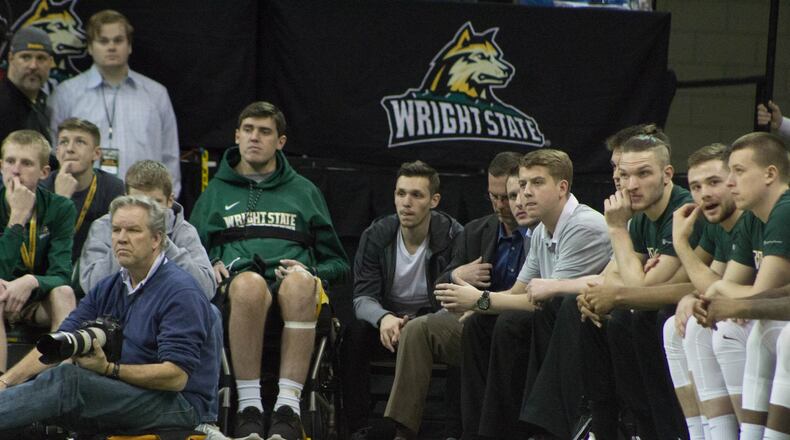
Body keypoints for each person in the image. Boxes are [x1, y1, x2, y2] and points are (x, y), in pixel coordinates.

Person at [190, 101, 349, 439]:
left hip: (295, 291)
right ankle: (250, 408)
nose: (254, 138)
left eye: (264, 132)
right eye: (248, 130)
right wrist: (209, 266)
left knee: (301, 282)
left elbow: (338, 264)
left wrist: (311, 269)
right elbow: (188, 257)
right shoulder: (214, 193)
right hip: (239, 291)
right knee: (248, 284)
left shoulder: (305, 192)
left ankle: (288, 410)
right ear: (236, 136)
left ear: (281, 141)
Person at [0, 195, 219, 434]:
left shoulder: (180, 291)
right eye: (116, 230)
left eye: (133, 230)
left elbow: (175, 377)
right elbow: (61, 338)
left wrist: (109, 369)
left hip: (179, 404)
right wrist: (6, 382)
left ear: (157, 239)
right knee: (45, 397)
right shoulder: (111, 286)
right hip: (124, 389)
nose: (122, 238)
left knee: (69, 381)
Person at [435, 148, 612, 439]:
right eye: (524, 184)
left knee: (510, 323)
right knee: (479, 324)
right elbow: (518, 292)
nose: (526, 193)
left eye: (537, 183)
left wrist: (479, 299)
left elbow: (545, 302)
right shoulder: (542, 229)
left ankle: (526, 429)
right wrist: (478, 307)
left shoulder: (584, 226)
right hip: (552, 321)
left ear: (562, 188)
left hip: (584, 324)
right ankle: (481, 431)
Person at [585, 143, 747, 439]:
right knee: (595, 315)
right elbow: (709, 282)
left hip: (763, 319)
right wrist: (601, 294)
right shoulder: (705, 218)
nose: (704, 194)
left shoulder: (690, 212)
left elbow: (647, 288)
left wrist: (619, 231)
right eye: (697, 186)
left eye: (713, 182)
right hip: (739, 312)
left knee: (663, 320)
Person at [380, 153, 530, 440]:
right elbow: (440, 292)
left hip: (515, 324)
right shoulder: (476, 231)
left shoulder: (537, 231)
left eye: (507, 197)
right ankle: (402, 431)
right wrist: (458, 275)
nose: (501, 205)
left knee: (489, 326)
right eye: (493, 197)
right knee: (418, 329)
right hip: (472, 322)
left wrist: (479, 300)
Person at [516, 124, 652, 439]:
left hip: (651, 311)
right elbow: (610, 274)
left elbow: (636, 286)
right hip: (625, 303)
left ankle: (563, 425)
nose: (620, 177)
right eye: (617, 169)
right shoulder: (633, 216)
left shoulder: (600, 222)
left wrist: (479, 300)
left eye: (629, 170)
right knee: (562, 308)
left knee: (576, 309)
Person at [577, 127, 699, 439]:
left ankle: (656, 429)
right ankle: (604, 426)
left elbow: (641, 290)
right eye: (624, 175)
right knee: (592, 315)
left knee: (637, 317)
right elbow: (621, 273)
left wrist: (617, 229)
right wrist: (608, 290)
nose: (631, 185)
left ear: (667, 173)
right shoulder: (644, 215)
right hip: (656, 307)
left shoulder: (682, 210)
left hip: (682, 313)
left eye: (644, 174)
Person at [344, 159, 462, 440]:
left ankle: (453, 430)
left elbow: (458, 301)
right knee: (355, 334)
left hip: (431, 323)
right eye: (401, 193)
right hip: (389, 325)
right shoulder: (377, 235)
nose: (406, 203)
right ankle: (360, 428)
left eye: (416, 195)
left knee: (467, 335)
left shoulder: (454, 235)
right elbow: (362, 298)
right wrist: (384, 318)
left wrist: (421, 322)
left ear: (434, 200)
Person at [692, 132, 790, 439]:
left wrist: (729, 298)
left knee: (773, 334)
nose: (730, 181)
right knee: (694, 328)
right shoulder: (753, 217)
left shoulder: (785, 209)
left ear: (770, 174)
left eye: (738, 171)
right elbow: (728, 286)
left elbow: (759, 294)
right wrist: (718, 295)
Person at [48, 10, 182, 196]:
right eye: (103, 41)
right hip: (83, 199)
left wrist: (168, 205)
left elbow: (170, 157)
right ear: (90, 47)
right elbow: (54, 153)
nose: (111, 47)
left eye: (118, 40)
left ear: (129, 46)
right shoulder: (66, 93)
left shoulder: (155, 94)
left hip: (144, 201)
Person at [80, 160, 215, 299]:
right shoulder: (104, 226)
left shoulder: (183, 230)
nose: (147, 213)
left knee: (212, 313)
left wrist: (164, 244)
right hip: (118, 307)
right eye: (139, 203)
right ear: (126, 198)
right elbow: (91, 287)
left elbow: (206, 290)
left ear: (170, 201)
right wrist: (123, 244)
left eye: (155, 203)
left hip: (168, 304)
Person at [0, 130, 75, 373]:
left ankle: (61, 379)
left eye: (26, 163)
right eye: (10, 161)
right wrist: (17, 220)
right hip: (0, 296)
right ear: (1, 166)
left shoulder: (60, 207)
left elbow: (62, 274)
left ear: (44, 172)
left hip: (36, 302)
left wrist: (31, 281)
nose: (16, 169)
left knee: (64, 293)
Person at [41, 118, 124, 263]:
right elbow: (39, 250)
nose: (70, 149)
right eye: (64, 142)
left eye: (80, 142)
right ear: (57, 151)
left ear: (96, 153)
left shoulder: (113, 188)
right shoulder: (41, 188)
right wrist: (61, 199)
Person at [0, 27, 54, 144]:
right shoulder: (3, 104)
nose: (33, 66)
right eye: (25, 57)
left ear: (50, 62)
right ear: (11, 58)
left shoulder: (41, 102)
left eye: (41, 58)